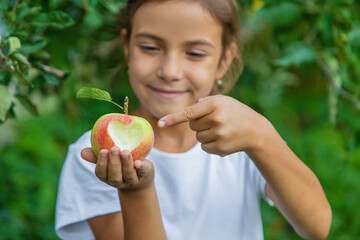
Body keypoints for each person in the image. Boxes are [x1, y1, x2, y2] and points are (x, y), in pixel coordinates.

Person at [55, 0, 332, 239]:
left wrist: (262, 136)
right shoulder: (98, 159)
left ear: (224, 61)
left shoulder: (245, 139)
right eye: (150, 48)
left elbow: (316, 226)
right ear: (127, 47)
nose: (170, 71)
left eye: (195, 53)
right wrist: (136, 191)